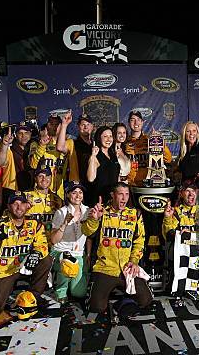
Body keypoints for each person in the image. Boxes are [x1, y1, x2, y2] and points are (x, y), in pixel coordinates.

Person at [0, 191, 54, 319]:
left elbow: (43, 244)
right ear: (8, 206)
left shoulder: (35, 224)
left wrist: (37, 253)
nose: (19, 207)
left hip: (24, 265)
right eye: (15, 203)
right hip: (4, 271)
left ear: (27, 206)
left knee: (46, 259)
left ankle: (33, 295)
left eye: (22, 203)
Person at [82, 183, 151, 314]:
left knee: (146, 301)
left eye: (126, 194)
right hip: (105, 268)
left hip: (127, 268)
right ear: (113, 195)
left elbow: (139, 241)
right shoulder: (102, 212)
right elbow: (86, 232)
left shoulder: (135, 214)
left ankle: (124, 297)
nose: (124, 198)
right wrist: (93, 219)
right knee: (96, 307)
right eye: (120, 194)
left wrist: (134, 261)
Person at [50, 182, 90, 304]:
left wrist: (87, 254)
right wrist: (64, 224)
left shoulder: (88, 210)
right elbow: (54, 240)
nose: (78, 195)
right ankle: (60, 288)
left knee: (79, 293)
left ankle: (76, 279)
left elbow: (89, 235)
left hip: (78, 252)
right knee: (67, 261)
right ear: (67, 195)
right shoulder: (61, 212)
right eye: (74, 192)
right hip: (62, 252)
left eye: (80, 192)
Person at [30, 113, 78, 198]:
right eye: (51, 124)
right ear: (47, 126)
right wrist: (42, 146)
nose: (54, 127)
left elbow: (73, 169)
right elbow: (33, 165)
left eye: (57, 124)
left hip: (60, 192)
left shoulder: (69, 143)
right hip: (41, 191)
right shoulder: (36, 143)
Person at [124, 110, 172, 186]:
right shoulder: (124, 142)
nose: (136, 123)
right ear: (128, 123)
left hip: (148, 183)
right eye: (133, 120)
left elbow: (168, 159)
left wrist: (160, 142)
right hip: (130, 184)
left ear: (142, 122)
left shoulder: (151, 140)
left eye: (139, 120)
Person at [87, 126, 120, 206]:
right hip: (99, 200)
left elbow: (116, 177)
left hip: (113, 200)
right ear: (99, 138)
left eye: (110, 136)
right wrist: (93, 156)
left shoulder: (113, 155)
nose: (108, 139)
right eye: (105, 136)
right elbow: (90, 178)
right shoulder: (96, 156)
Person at [24, 167, 64, 233]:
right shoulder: (26, 196)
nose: (44, 179)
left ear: (51, 178)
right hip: (31, 238)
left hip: (51, 239)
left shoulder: (57, 199)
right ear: (35, 179)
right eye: (40, 176)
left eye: (47, 176)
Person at [177, 121, 199, 189]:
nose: (191, 134)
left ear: (197, 133)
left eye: (194, 131)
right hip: (187, 190)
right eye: (188, 131)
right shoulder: (183, 150)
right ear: (184, 133)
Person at [9, 122, 34, 192]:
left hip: (33, 190)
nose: (23, 136)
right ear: (15, 135)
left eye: (26, 133)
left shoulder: (36, 149)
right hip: (15, 190)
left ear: (30, 134)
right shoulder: (10, 150)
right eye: (20, 133)